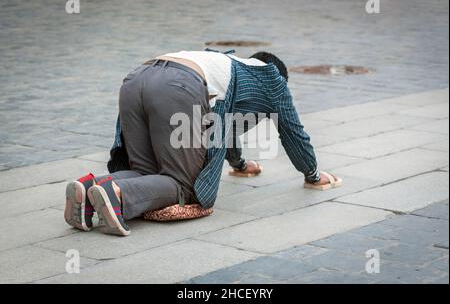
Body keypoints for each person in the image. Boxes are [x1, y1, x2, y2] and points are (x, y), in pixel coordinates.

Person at [64, 50, 341, 236]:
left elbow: (226, 123)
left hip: (137, 78)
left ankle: (89, 187)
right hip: (177, 85)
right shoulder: (273, 79)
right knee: (183, 184)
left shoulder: (228, 64)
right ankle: (117, 195)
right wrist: (313, 174)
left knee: (145, 171)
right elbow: (294, 132)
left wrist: (240, 163)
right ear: (280, 75)